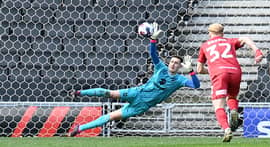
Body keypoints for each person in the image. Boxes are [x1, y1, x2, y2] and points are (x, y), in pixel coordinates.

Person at [68, 22, 200, 137]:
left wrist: (191, 71)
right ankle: (78, 93)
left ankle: (79, 129)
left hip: (142, 106)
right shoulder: (161, 68)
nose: (173, 64)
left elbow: (196, 85)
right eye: (171, 61)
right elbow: (153, 54)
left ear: (180, 66)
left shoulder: (179, 80)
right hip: (137, 92)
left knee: (110, 117)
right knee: (109, 93)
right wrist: (153, 40)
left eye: (176, 63)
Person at [196, 23, 263, 142]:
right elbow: (245, 38)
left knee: (218, 105)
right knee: (232, 96)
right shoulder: (229, 42)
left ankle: (227, 129)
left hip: (219, 74)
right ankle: (233, 110)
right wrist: (256, 51)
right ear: (222, 33)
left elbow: (200, 69)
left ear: (209, 33)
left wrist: (213, 70)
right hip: (235, 71)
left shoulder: (205, 46)